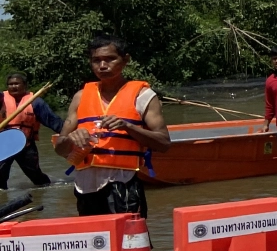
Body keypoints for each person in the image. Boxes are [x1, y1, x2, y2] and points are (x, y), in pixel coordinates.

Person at [52, 35, 171, 218]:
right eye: (96, 60)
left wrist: (128, 126)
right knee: (94, 243)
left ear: (125, 60)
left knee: (130, 242)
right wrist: (70, 139)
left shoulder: (143, 96)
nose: (102, 65)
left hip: (123, 183)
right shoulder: (80, 96)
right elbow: (60, 148)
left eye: (110, 59)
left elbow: (164, 142)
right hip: (85, 186)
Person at [0, 73, 64, 189]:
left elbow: (53, 121)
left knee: (36, 176)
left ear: (25, 85)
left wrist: (70, 132)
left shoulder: (36, 102)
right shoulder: (1, 99)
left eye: (17, 84)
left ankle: (47, 189)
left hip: (26, 145)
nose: (13, 86)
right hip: (4, 146)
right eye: (10, 84)